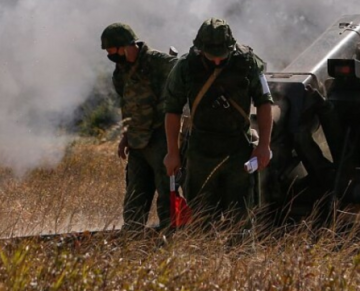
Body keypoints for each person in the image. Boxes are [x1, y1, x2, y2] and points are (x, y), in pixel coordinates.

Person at [162, 18, 274, 222]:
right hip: (200, 152)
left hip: (238, 150)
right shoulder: (185, 67)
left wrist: (264, 146)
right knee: (201, 220)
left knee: (241, 221)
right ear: (199, 48)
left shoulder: (248, 63)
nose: (216, 62)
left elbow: (264, 103)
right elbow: (172, 110)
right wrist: (172, 153)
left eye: (221, 56)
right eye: (211, 56)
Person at [101, 22, 177, 231]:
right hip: (136, 142)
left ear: (125, 45)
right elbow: (127, 107)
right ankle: (132, 242)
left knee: (166, 193)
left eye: (112, 50)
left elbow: (182, 83)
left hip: (160, 138)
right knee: (135, 195)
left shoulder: (159, 62)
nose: (110, 55)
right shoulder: (120, 73)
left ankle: (172, 239)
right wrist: (125, 137)